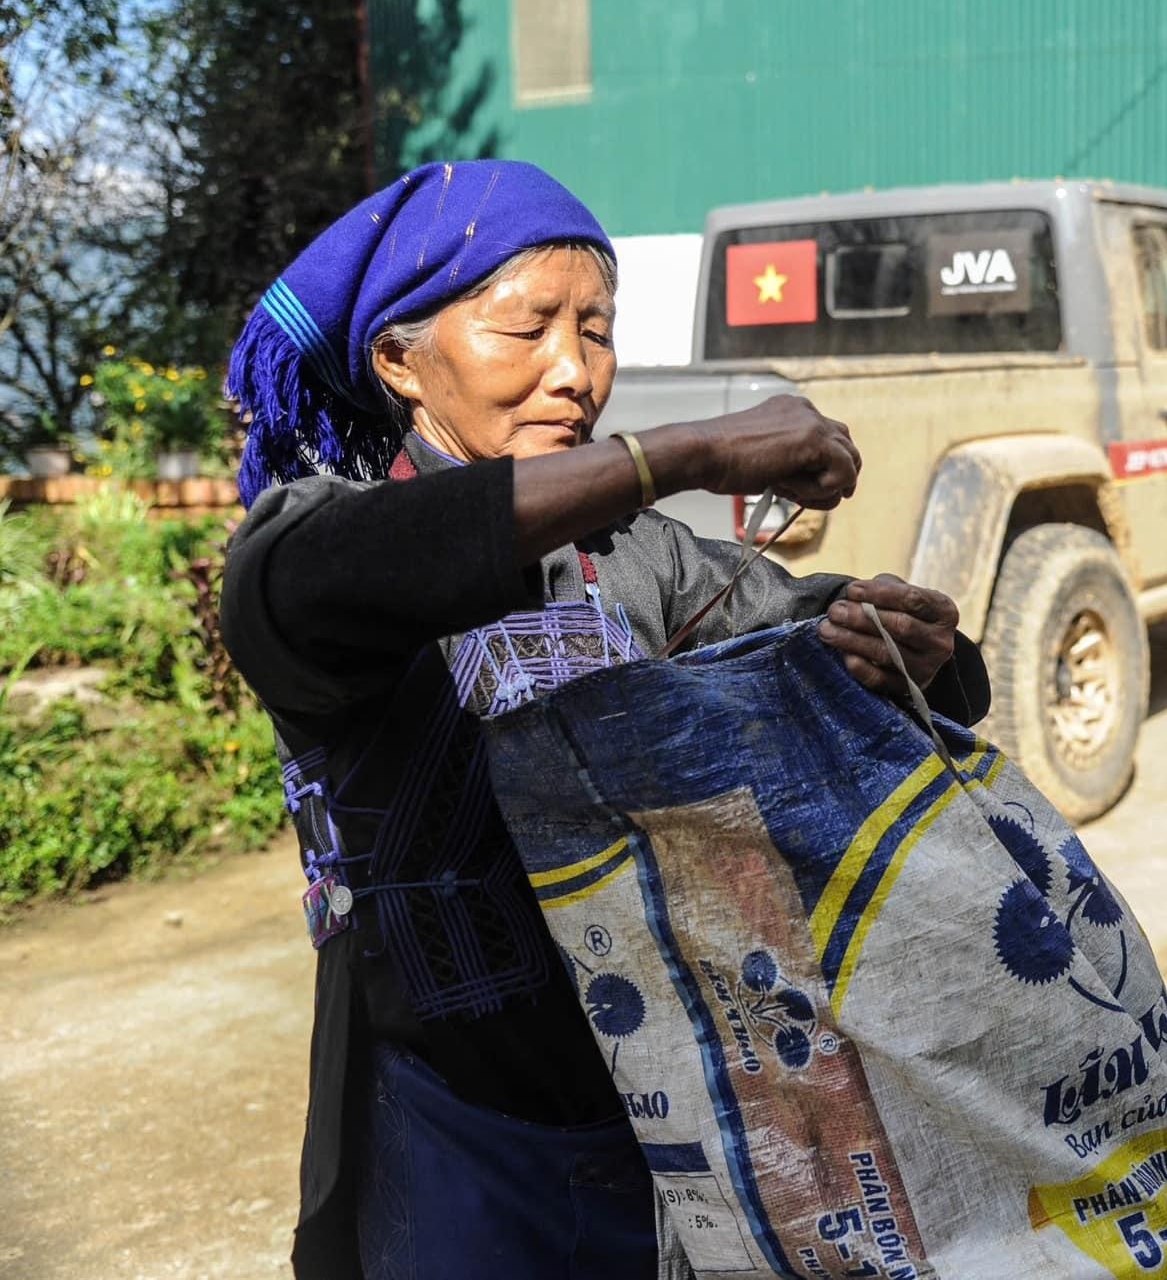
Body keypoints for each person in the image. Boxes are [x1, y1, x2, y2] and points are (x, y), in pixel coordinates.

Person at [219, 160, 990, 1279]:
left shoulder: (638, 559)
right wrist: (681, 453)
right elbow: (363, 562)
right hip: (462, 1132)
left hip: (690, 1114)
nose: (572, 374)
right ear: (399, 360)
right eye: (525, 329)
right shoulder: (320, 552)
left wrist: (910, 648)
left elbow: (833, 636)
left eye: (596, 331)